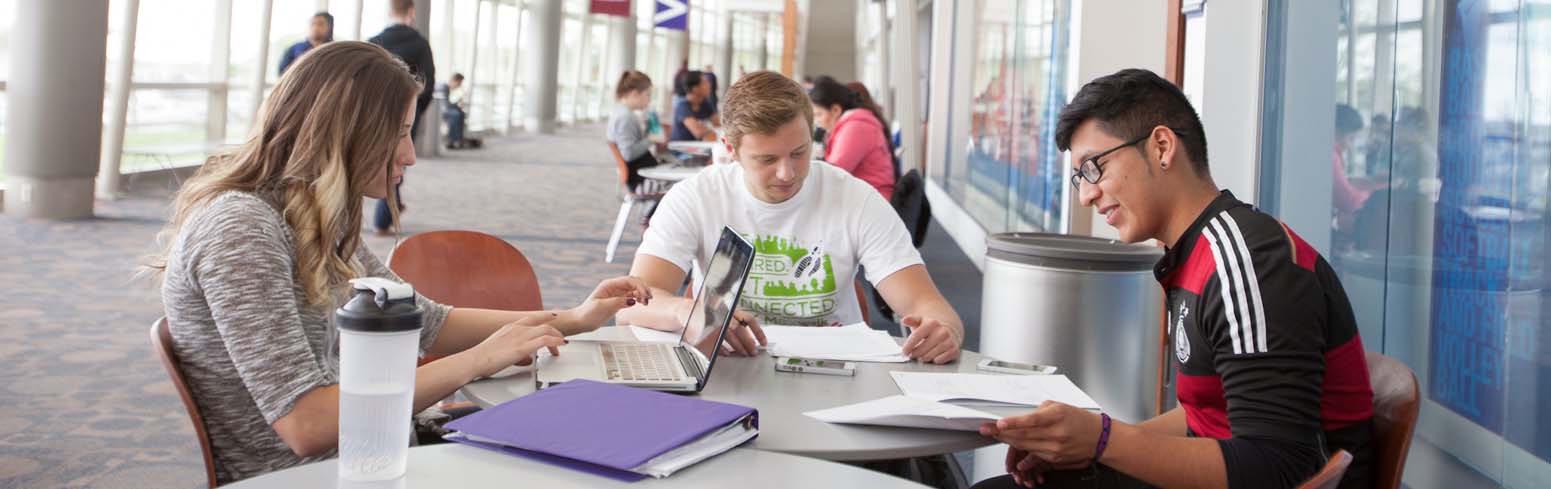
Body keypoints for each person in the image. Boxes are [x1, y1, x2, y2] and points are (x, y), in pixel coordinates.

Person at [149, 42, 652, 485]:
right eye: (399, 133)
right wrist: (478, 361)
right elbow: (307, 425)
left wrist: (576, 318)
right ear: (343, 132)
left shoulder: (310, 217)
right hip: (319, 475)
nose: (410, 156)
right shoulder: (242, 229)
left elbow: (428, 323)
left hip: (378, 454)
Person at [972, 69, 1375, 489]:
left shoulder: (1247, 261)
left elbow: (1275, 467)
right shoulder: (1196, 253)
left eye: (1094, 168)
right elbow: (1206, 415)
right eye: (1080, 177)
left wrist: (1103, 440)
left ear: (1162, 147)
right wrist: (1079, 447)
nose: (1086, 195)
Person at [616, 71, 964, 365]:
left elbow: (928, 305)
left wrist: (944, 330)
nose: (787, 173)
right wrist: (684, 311)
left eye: (799, 153)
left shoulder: (855, 199)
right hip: (729, 370)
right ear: (731, 149)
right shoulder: (695, 198)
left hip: (831, 371)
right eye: (766, 160)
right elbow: (631, 305)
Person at [369, 0, 436, 234]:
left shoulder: (373, 42)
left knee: (382, 164)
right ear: (411, 13)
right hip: (407, 115)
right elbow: (427, 87)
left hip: (373, 117)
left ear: (389, 13)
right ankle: (384, 218)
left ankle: (390, 210)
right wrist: (413, 116)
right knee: (396, 166)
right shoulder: (419, 44)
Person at [809, 76, 896, 199]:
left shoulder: (856, 128)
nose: (817, 122)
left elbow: (833, 175)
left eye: (819, 114)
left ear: (835, 110)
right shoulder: (853, 124)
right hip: (866, 196)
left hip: (874, 201)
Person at [608, 70, 665, 194]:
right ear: (634, 94)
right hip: (641, 180)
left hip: (641, 175)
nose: (649, 100)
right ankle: (652, 213)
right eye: (648, 95)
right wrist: (651, 139)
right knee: (681, 188)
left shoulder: (620, 112)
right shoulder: (626, 118)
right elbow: (628, 153)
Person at [670, 71, 719, 142]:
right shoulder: (682, 106)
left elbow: (719, 125)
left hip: (699, 147)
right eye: (705, 83)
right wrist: (709, 130)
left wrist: (706, 130)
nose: (709, 85)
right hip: (681, 149)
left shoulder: (705, 104)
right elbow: (698, 132)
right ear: (695, 88)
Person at [440, 73, 471, 149]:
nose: (459, 86)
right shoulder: (444, 87)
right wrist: (457, 105)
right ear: (455, 81)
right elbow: (445, 105)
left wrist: (458, 105)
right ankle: (452, 140)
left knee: (461, 113)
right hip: (438, 111)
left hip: (443, 109)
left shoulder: (447, 88)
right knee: (455, 114)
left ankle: (458, 139)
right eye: (459, 83)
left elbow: (448, 104)